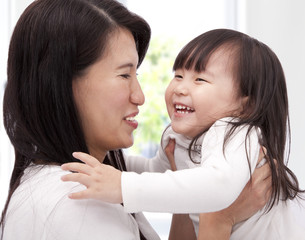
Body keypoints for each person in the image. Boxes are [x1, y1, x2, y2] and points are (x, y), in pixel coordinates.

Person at [0, 0, 273, 239]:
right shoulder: (77, 201)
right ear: (60, 84)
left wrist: (185, 186)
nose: (140, 97)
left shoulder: (66, 183)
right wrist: (219, 221)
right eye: (124, 75)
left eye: (136, 75)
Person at [61, 29, 305, 239]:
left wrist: (123, 186)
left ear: (245, 105)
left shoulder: (236, 132)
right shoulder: (177, 138)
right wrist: (102, 161)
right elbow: (158, 171)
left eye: (199, 79)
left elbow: (217, 188)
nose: (180, 88)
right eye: (178, 75)